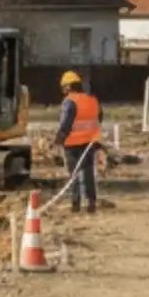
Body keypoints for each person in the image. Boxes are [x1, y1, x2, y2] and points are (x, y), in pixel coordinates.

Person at [54, 70, 101, 214]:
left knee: (73, 174)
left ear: (68, 86)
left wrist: (58, 140)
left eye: (64, 87)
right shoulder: (92, 99)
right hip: (89, 143)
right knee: (88, 173)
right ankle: (91, 202)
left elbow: (65, 124)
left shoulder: (70, 102)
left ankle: (75, 204)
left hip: (72, 144)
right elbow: (99, 118)